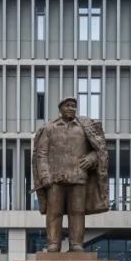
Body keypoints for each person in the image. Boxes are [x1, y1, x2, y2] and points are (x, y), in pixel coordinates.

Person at [31, 97, 108, 251]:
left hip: (78, 177)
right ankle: (53, 243)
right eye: (68, 106)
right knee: (54, 212)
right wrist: (45, 175)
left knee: (77, 212)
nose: (71, 108)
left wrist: (91, 158)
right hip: (55, 179)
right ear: (60, 109)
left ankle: (76, 243)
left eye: (73, 106)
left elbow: (99, 150)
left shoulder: (84, 127)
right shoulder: (49, 128)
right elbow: (41, 154)